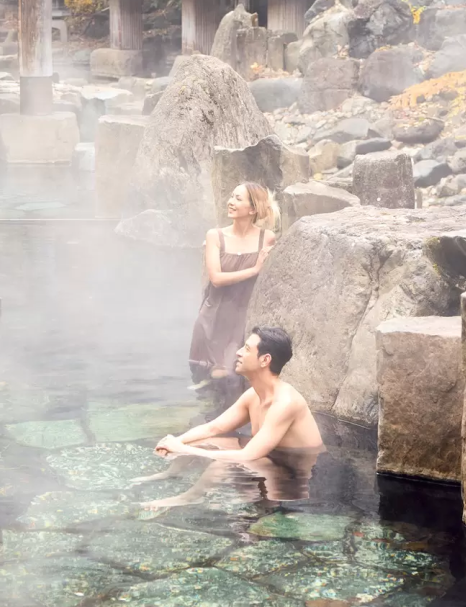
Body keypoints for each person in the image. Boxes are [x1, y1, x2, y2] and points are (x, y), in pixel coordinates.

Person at [134, 326, 324, 508]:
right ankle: (171, 473)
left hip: (292, 473)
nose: (239, 352)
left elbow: (248, 455)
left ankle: (189, 498)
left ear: (265, 360)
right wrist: (175, 442)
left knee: (224, 465)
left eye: (247, 349)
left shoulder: (285, 403)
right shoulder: (254, 395)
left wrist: (184, 450)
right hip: (268, 456)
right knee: (203, 439)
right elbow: (214, 428)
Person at [189, 183, 277, 387]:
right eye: (231, 196)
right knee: (204, 378)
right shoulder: (215, 235)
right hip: (213, 319)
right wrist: (253, 270)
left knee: (230, 377)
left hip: (243, 319)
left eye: (238, 199)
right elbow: (216, 279)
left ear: (253, 209)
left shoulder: (266, 238)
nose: (230, 202)